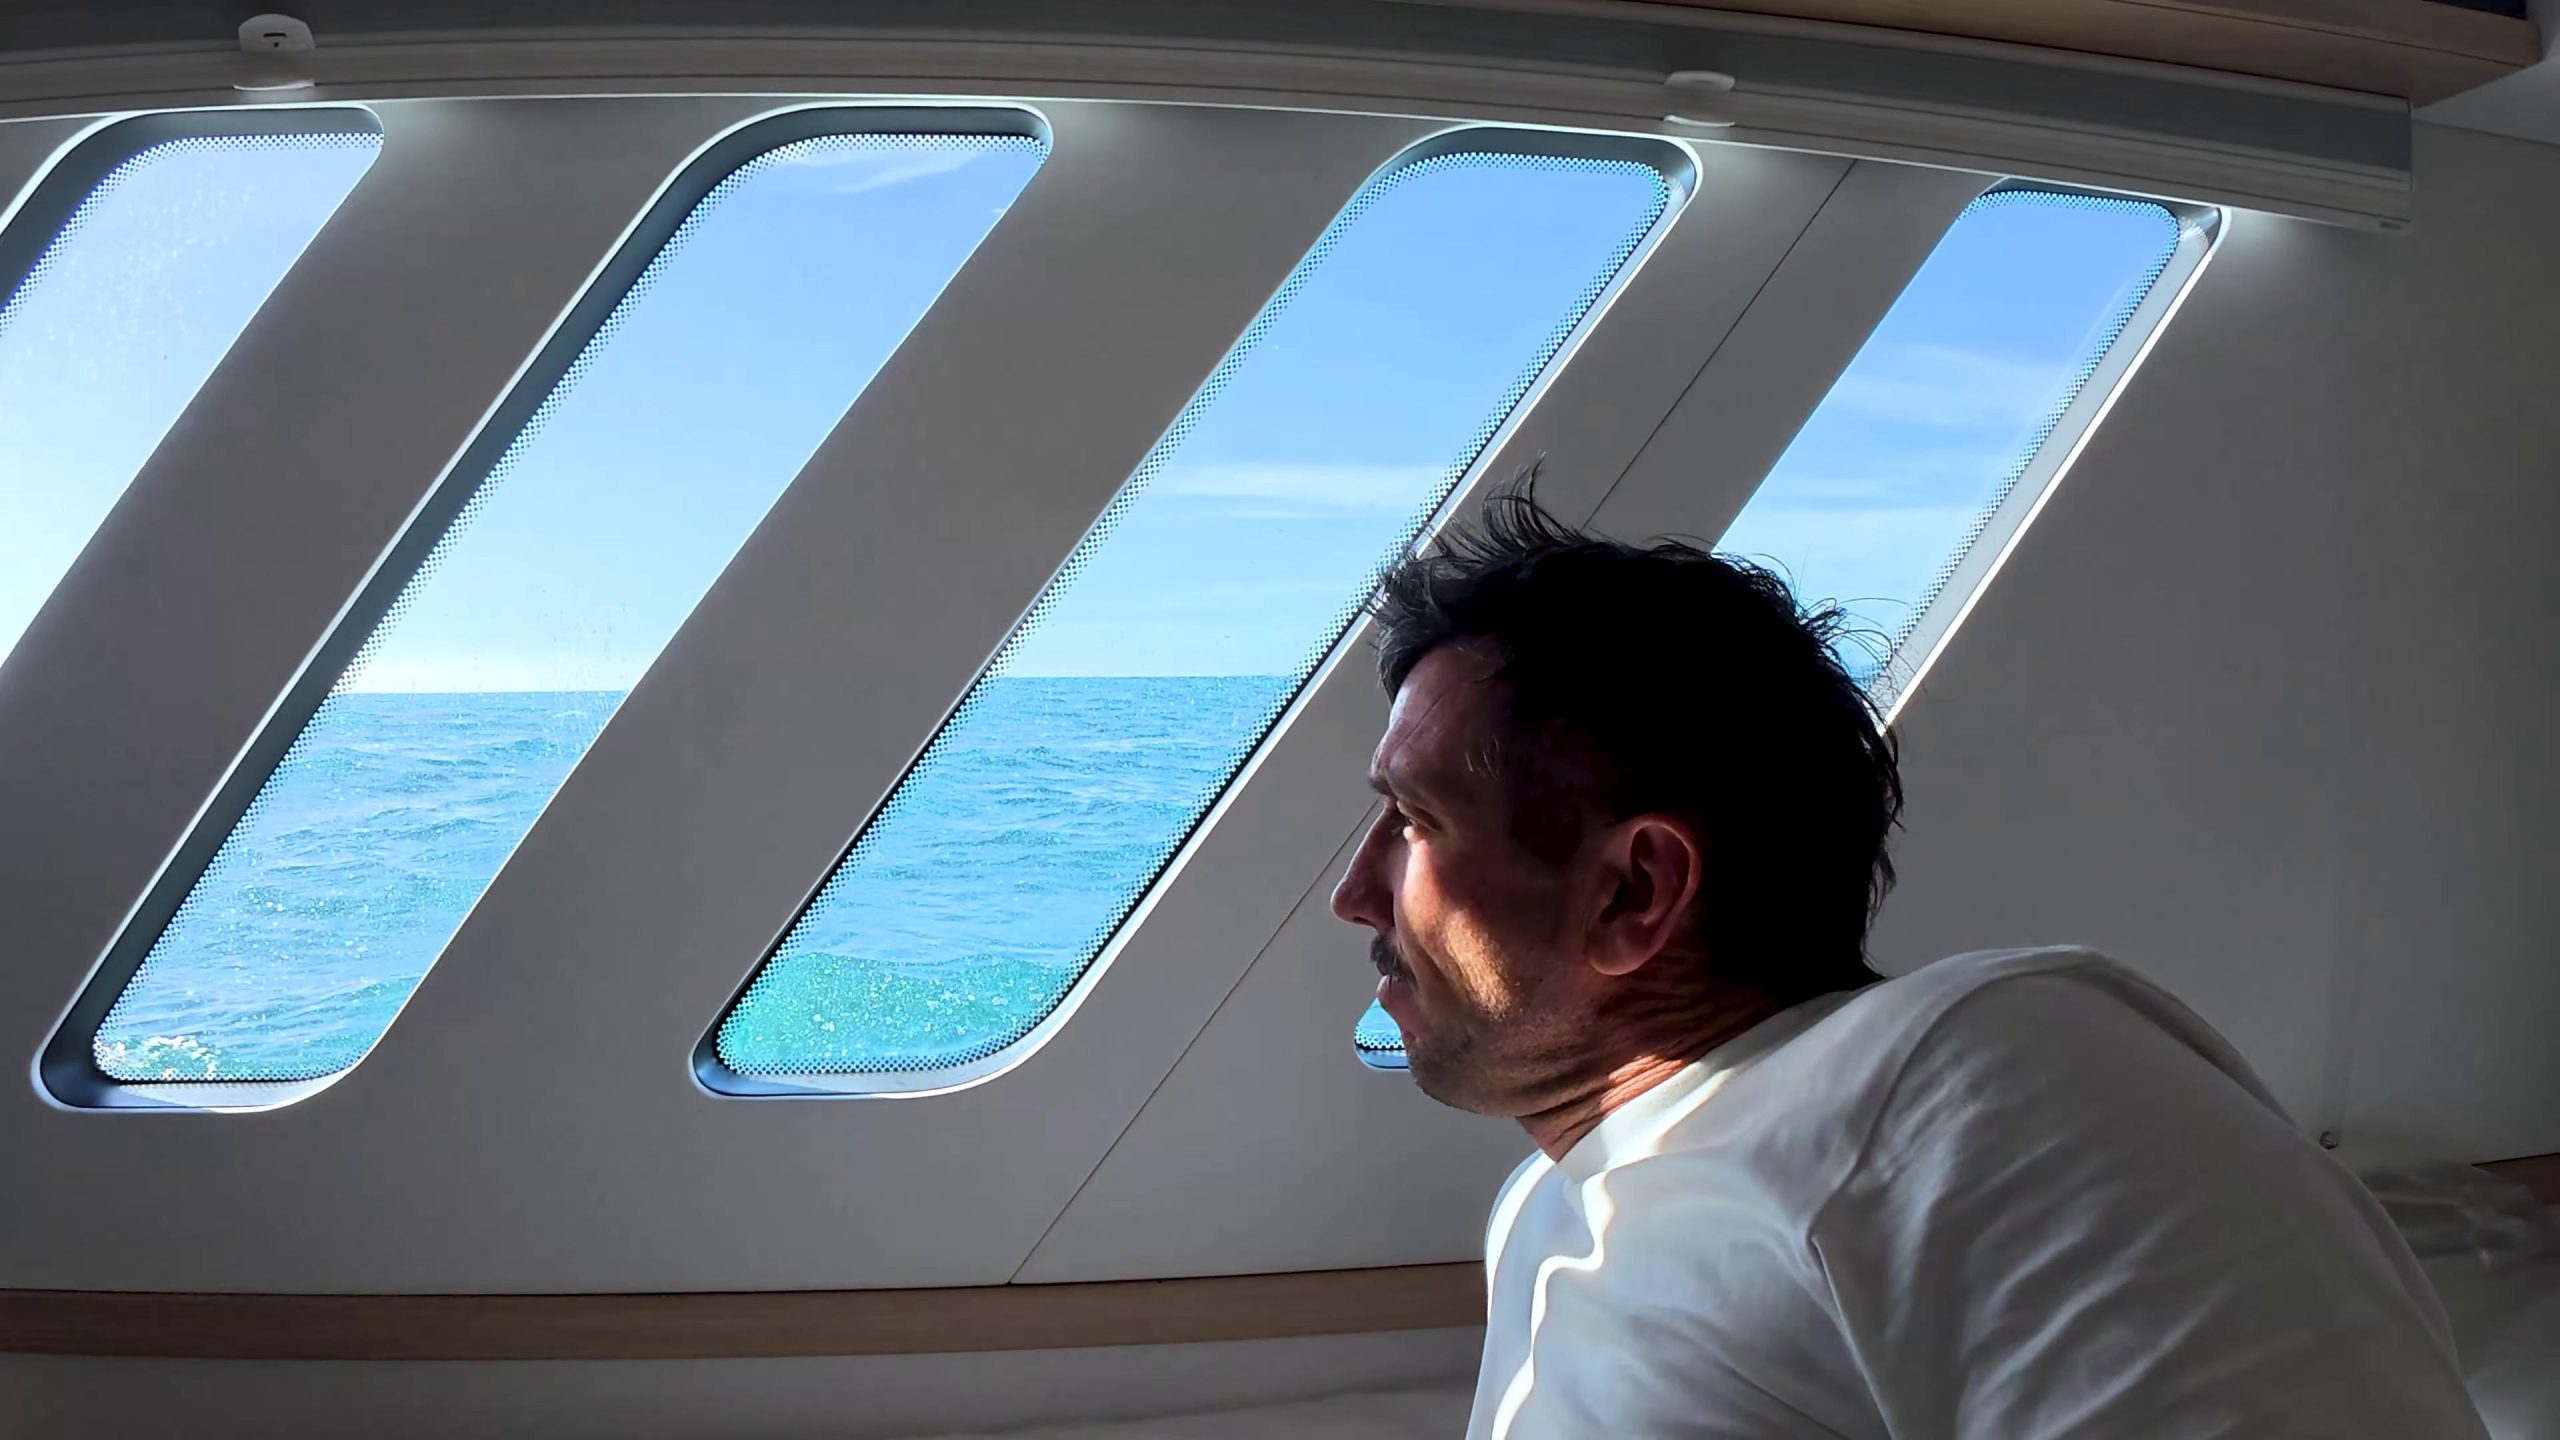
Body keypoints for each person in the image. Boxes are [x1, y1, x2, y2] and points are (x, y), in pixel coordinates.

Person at [1330, 484, 2485, 1438]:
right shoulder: (1547, 1211)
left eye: (1416, 824)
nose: (1353, 894)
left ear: (1635, 892)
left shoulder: (1987, 1085)